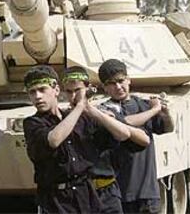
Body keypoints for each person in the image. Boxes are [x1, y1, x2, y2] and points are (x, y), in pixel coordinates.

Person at [23, 65, 133, 213]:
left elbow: (123, 134)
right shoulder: (33, 123)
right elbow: (54, 140)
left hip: (86, 196)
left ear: (56, 90)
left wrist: (93, 111)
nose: (37, 96)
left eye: (42, 90)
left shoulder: (78, 117)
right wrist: (80, 106)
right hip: (57, 201)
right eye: (32, 92)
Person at [62, 66, 150, 213]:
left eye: (78, 90)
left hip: (105, 191)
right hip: (79, 193)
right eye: (69, 92)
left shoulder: (101, 116)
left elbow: (135, 137)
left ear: (87, 89)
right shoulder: (62, 120)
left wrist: (92, 111)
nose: (74, 96)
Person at [98, 59, 174, 214]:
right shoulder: (104, 110)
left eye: (121, 81)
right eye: (112, 83)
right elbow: (125, 122)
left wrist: (165, 113)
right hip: (120, 192)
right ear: (105, 87)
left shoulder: (142, 104)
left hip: (147, 191)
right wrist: (154, 110)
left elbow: (167, 128)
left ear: (128, 79)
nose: (118, 87)